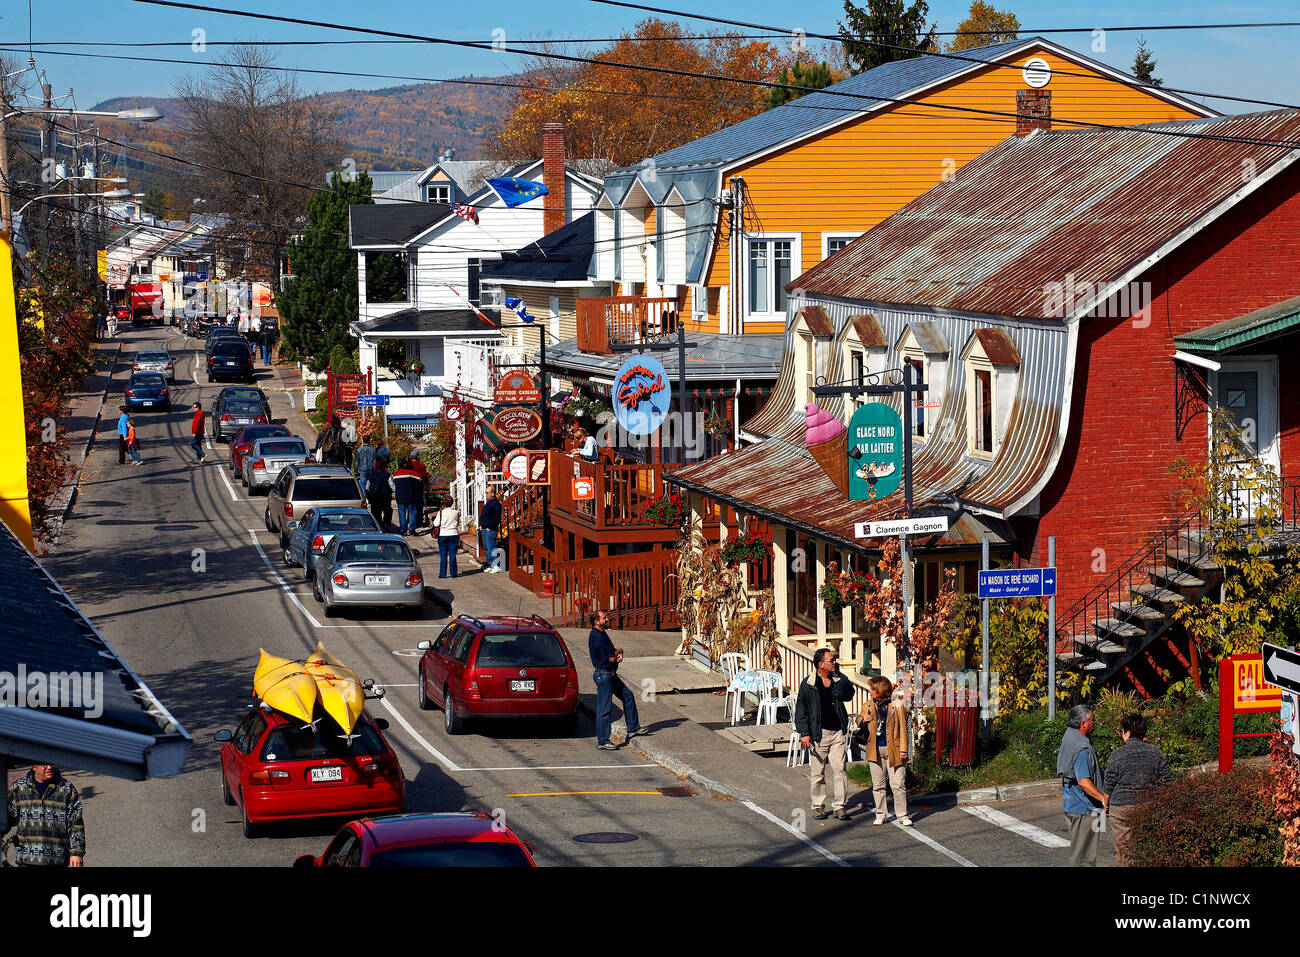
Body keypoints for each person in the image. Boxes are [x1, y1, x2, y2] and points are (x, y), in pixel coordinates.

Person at [1102, 713, 1173, 866]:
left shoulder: (1117, 755)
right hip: (1148, 806)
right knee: (1146, 848)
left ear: (1127, 733)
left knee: (1124, 851)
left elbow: (1109, 783)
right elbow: (1168, 779)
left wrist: (1105, 805)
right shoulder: (1156, 753)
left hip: (1121, 808)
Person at [794, 648, 855, 821]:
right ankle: (818, 806)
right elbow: (801, 709)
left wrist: (841, 682)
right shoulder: (809, 684)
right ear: (821, 665)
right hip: (818, 733)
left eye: (834, 660)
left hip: (838, 731)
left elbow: (849, 695)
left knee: (840, 770)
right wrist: (804, 733)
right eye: (831, 660)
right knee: (818, 772)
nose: (834, 662)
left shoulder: (838, 679)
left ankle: (839, 806)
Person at [3, 762, 85, 866]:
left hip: (57, 860)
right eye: (44, 765)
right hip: (27, 859)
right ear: (34, 766)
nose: (49, 767)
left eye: (52, 763)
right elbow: (6, 818)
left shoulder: (67, 789)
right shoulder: (18, 788)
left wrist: (77, 853)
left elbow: (76, 823)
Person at [588, 608, 645, 750]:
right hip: (604, 675)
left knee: (628, 696)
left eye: (606, 617)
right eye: (604, 618)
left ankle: (633, 727)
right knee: (604, 708)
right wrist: (620, 651)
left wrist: (616, 656)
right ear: (596, 622)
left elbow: (611, 657)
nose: (607, 619)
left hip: (610, 674)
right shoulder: (598, 637)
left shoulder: (601, 633)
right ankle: (603, 740)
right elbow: (611, 657)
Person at [858, 676, 911, 826]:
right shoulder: (868, 705)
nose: (871, 692)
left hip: (894, 749)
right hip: (874, 749)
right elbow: (858, 720)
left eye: (873, 689)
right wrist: (864, 720)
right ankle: (881, 813)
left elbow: (903, 729)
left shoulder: (897, 705)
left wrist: (903, 750)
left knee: (898, 784)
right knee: (878, 785)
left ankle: (902, 815)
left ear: (881, 690)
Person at [1057, 703, 1106, 867]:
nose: (1095, 722)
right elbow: (1084, 781)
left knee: (1082, 855)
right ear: (1083, 723)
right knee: (1084, 858)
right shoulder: (1082, 749)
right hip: (1086, 810)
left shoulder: (1070, 736)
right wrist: (1103, 798)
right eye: (1092, 720)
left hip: (1074, 805)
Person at [391, 457, 422, 537]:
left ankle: (402, 530)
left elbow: (393, 485)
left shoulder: (395, 474)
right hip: (411, 497)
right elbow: (420, 483)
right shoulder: (413, 474)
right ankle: (411, 528)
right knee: (412, 512)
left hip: (400, 497)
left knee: (401, 513)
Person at [434, 494, 461, 578]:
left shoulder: (441, 512)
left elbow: (436, 523)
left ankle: (442, 574)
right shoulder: (456, 512)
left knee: (443, 555)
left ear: (444, 503)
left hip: (443, 534)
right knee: (453, 555)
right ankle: (453, 573)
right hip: (453, 534)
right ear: (452, 503)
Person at [366, 454, 393, 533]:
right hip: (385, 498)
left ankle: (378, 527)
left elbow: (367, 487)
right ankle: (387, 525)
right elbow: (392, 486)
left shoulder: (372, 475)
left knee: (376, 513)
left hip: (375, 498)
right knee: (388, 512)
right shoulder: (387, 475)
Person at [478, 486, 502, 572]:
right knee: (487, 548)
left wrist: (490, 527)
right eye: (486, 493)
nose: (486, 494)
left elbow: (496, 518)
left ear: (492, 493)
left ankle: (496, 566)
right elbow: (485, 515)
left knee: (491, 547)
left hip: (490, 530)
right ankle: (491, 565)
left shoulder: (495, 503)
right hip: (484, 529)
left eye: (487, 493)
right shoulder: (489, 502)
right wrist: (482, 525)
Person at [407, 451, 429, 530]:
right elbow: (425, 476)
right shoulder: (421, 465)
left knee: (410, 506)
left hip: (409, 486)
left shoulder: (408, 465)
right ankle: (419, 520)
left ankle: (411, 522)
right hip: (419, 486)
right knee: (419, 504)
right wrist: (427, 486)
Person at [354, 435, 377, 499]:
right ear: (369, 440)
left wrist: (355, 470)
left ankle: (365, 497)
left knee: (362, 484)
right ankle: (371, 497)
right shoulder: (373, 450)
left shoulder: (359, 450)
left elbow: (356, 461)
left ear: (363, 441)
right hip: (371, 468)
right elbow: (375, 461)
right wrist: (375, 469)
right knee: (371, 483)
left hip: (363, 469)